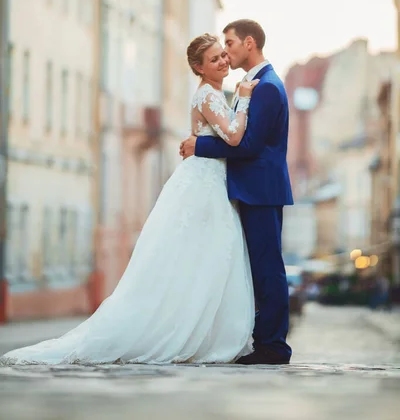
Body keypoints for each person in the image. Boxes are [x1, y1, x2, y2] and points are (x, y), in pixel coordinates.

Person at [0, 34, 258, 366]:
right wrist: (246, 99)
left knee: (207, 257)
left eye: (224, 55)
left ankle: (203, 332)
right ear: (198, 67)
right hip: (204, 184)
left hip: (210, 180)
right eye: (214, 59)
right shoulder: (207, 95)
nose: (223, 62)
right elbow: (234, 136)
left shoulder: (214, 93)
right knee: (203, 255)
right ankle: (180, 332)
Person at [181, 19, 293, 365]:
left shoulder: (267, 86)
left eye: (228, 44)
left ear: (249, 43)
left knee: (267, 267)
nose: (226, 53)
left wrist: (199, 146)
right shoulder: (251, 84)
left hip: (260, 189)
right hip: (252, 189)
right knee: (256, 267)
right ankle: (261, 340)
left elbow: (248, 145)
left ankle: (272, 346)